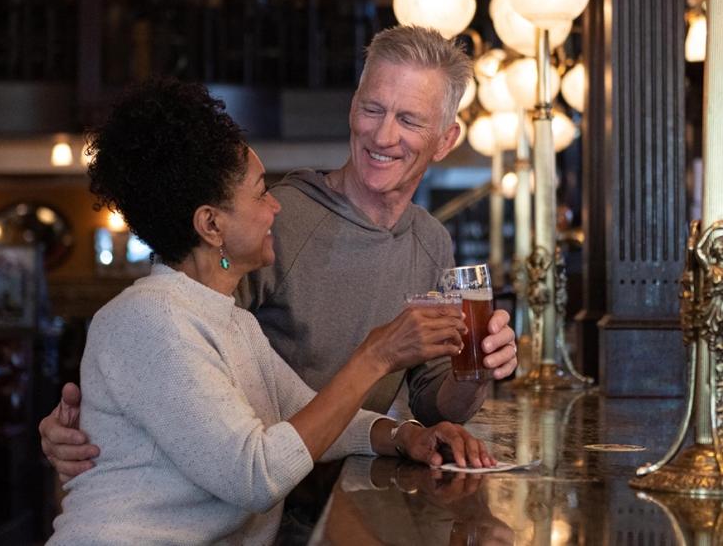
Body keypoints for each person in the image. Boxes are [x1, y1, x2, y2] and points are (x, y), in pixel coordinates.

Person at [40, 26, 517, 481]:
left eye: (409, 119)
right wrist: (87, 421)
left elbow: (434, 401)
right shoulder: (268, 221)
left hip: (339, 489)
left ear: (446, 140)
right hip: (252, 497)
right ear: (352, 106)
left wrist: (476, 370)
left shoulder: (431, 240)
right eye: (373, 109)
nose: (383, 136)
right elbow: (167, 335)